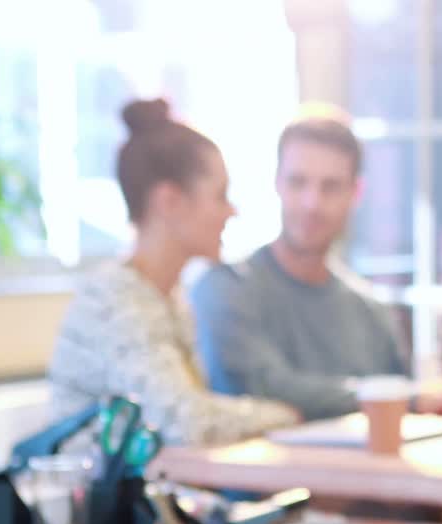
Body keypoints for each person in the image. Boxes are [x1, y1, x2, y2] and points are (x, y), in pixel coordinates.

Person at [190, 106, 442, 421]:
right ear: (277, 183)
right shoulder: (225, 290)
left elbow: (401, 417)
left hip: (360, 472)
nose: (313, 203)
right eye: (298, 182)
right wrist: (410, 396)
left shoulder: (372, 314)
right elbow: (264, 385)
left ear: (356, 192)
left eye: (331, 186)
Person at [49, 99, 299, 445]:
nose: (232, 212)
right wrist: (289, 414)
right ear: (169, 202)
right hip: (99, 497)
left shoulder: (169, 296)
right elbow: (188, 423)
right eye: (220, 195)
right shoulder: (115, 299)